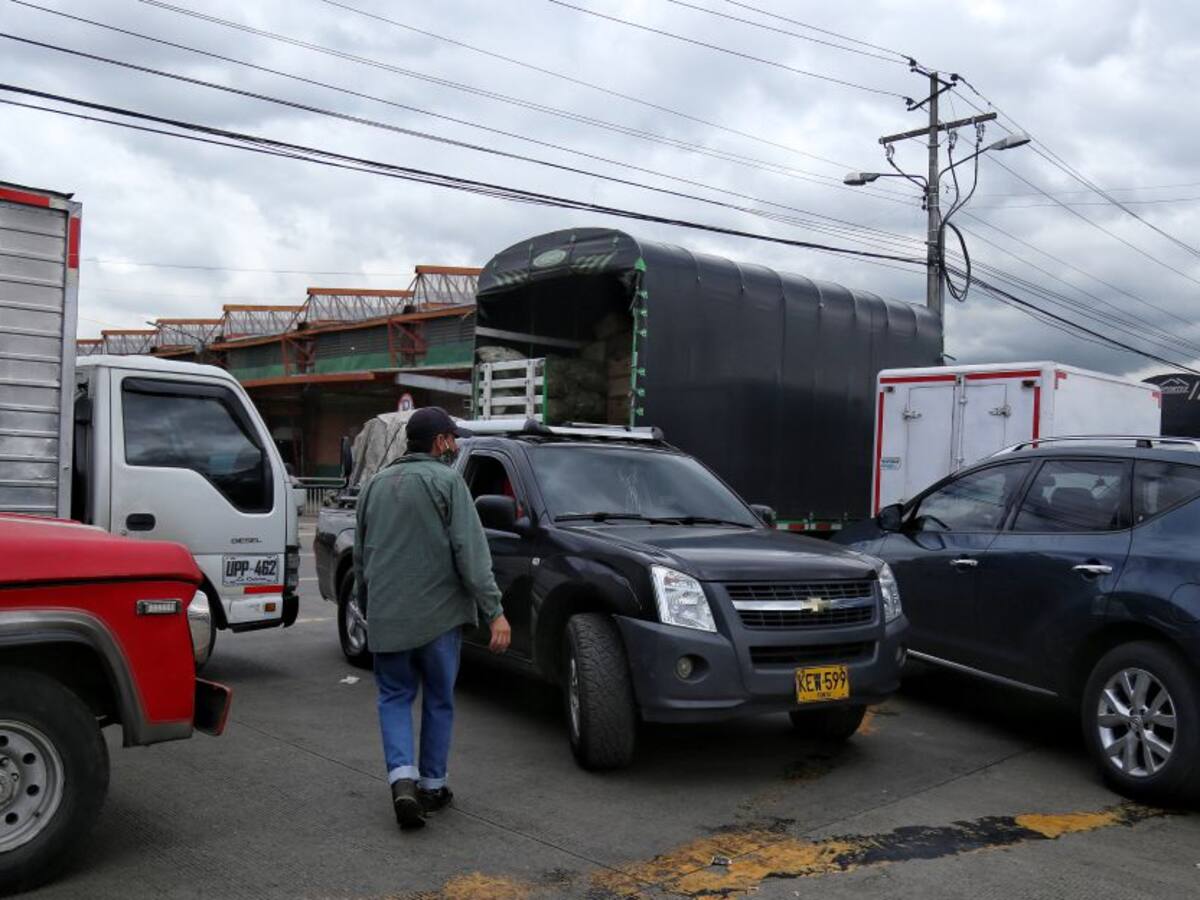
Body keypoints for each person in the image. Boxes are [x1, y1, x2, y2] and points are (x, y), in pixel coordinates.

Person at [354, 406, 511, 830]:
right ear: (440, 441)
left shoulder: (374, 486)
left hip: (388, 616)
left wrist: (368, 606)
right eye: (452, 437)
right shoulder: (448, 482)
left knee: (394, 697)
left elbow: (362, 555)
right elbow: (472, 554)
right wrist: (494, 611)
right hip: (440, 619)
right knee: (438, 700)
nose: (455, 444)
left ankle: (402, 781)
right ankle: (433, 787)